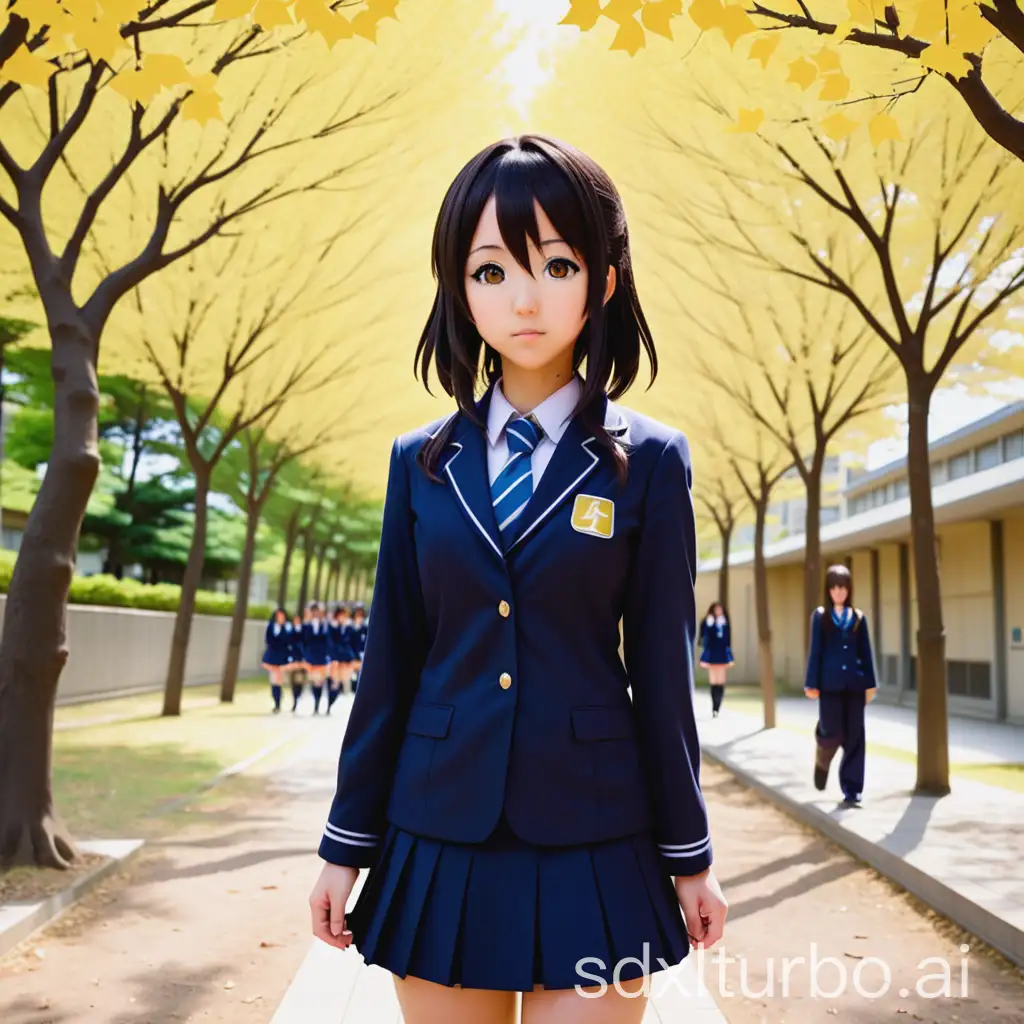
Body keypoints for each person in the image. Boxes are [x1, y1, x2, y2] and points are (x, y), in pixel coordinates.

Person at [308, 134, 726, 1023]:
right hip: (439, 831)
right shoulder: (418, 463)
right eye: (492, 271)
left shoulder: (648, 461)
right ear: (459, 288)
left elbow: (661, 669)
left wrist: (690, 855)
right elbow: (393, 658)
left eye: (558, 264)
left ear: (604, 281)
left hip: (596, 832)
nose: (525, 299)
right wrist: (345, 845)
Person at [804, 564, 878, 805]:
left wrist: (870, 683)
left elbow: (866, 652)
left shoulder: (858, 617)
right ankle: (822, 759)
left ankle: (852, 789)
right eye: (834, 588)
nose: (839, 592)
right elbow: (816, 651)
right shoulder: (820, 616)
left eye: (843, 588)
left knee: (855, 736)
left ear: (849, 590)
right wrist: (811, 683)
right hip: (829, 685)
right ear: (828, 589)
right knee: (831, 730)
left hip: (854, 685)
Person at [699, 602, 733, 717]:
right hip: (712, 655)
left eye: (720, 609)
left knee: (721, 682)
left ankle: (718, 706)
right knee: (714, 682)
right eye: (716, 609)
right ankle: (714, 707)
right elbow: (704, 639)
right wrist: (709, 626)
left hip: (722, 655)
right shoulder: (708, 622)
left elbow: (728, 641)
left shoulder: (724, 623)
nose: (718, 611)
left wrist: (729, 656)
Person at [302, 602, 331, 715]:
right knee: (314, 681)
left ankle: (320, 705)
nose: (315, 613)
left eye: (317, 611)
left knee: (320, 681)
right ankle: (315, 705)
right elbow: (304, 640)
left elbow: (328, 640)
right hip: (311, 657)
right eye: (313, 611)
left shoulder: (325, 624)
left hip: (322, 657)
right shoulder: (307, 625)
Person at [261, 607, 291, 713]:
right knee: (274, 680)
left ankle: (279, 699)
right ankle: (276, 702)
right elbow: (268, 640)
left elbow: (289, 641)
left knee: (279, 680)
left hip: (283, 658)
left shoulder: (288, 627)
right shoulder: (271, 626)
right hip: (273, 657)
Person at [327, 604, 355, 711]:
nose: (342, 618)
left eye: (344, 615)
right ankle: (329, 704)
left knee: (344, 680)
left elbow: (353, 644)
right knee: (334, 682)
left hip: (347, 658)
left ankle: (332, 702)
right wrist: (333, 658)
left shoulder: (350, 628)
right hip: (335, 658)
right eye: (340, 615)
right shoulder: (333, 628)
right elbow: (330, 644)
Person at [287, 612, 307, 713]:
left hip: (302, 659)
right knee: (293, 681)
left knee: (300, 680)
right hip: (293, 659)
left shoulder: (304, 630)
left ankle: (298, 695)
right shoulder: (289, 631)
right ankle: (295, 700)